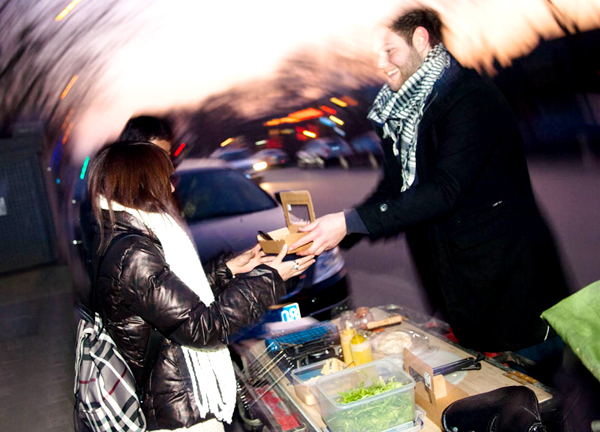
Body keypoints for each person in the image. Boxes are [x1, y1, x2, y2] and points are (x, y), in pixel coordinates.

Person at [291, 9, 569, 355]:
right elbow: (394, 192)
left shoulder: (470, 98)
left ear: (421, 40)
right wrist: (334, 233)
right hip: (460, 295)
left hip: (511, 293)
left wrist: (348, 223)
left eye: (390, 50)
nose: (381, 63)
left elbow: (444, 190)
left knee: (533, 401)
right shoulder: (406, 114)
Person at [85, 141, 315, 431]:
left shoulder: (122, 234)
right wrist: (268, 277)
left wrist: (228, 270)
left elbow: (169, 299)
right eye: (164, 180)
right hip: (179, 410)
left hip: (172, 394)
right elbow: (204, 328)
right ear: (141, 184)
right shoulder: (134, 253)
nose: (170, 189)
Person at [79, 115, 174, 289]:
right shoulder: (109, 209)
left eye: (167, 155)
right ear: (135, 155)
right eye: (157, 155)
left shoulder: (160, 190)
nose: (165, 163)